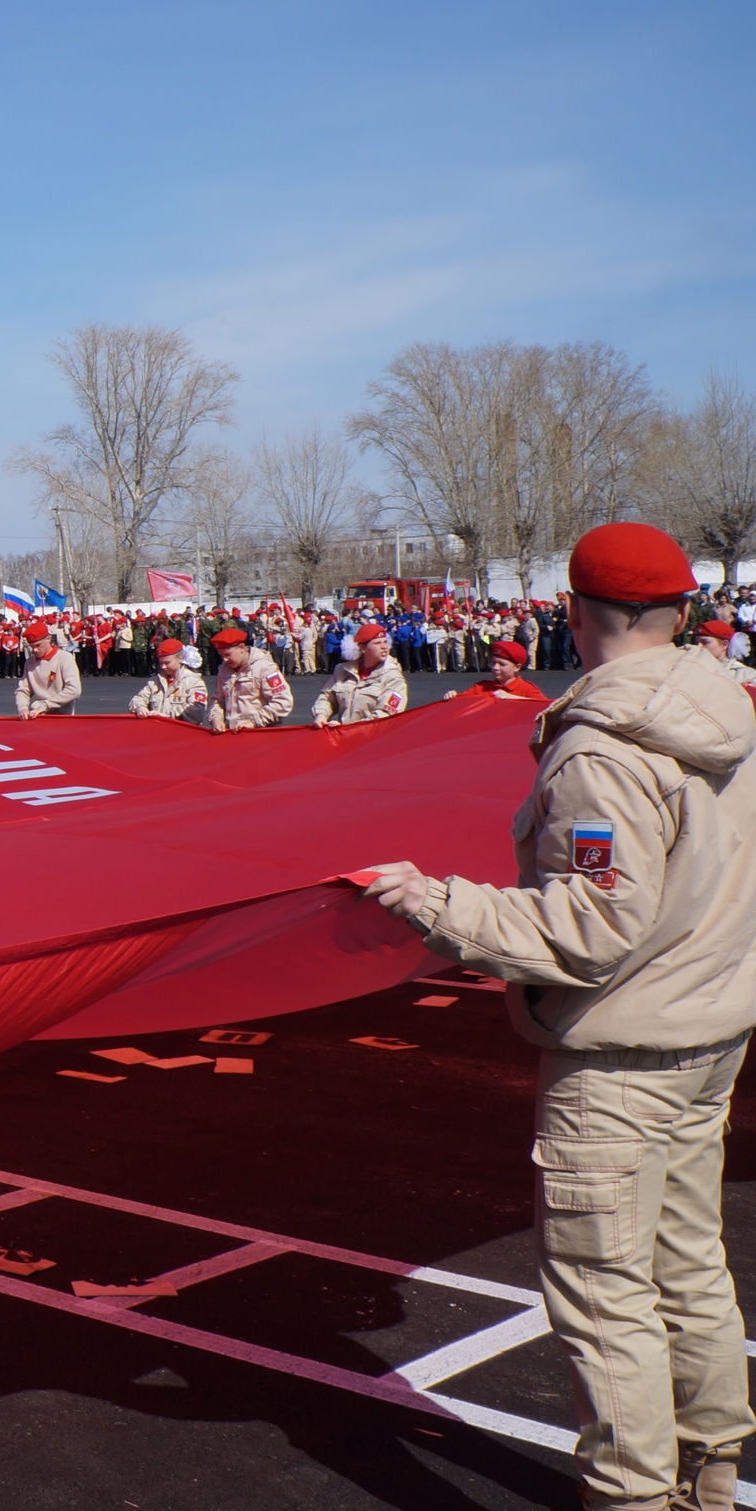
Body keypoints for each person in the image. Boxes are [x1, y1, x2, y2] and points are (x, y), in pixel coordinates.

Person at [363, 525, 756, 1511]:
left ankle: (631, 1498)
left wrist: (427, 903)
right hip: (706, 1030)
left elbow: (589, 926)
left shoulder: (601, 750)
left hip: (621, 1055)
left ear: (575, 613)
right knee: (685, 1262)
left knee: (603, 1289)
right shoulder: (729, 712)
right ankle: (711, 1473)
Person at [314, 622, 410, 727]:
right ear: (362, 648)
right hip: (343, 737)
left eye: (385, 642)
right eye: (377, 643)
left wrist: (349, 729)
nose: (384, 647)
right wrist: (321, 715)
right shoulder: (342, 670)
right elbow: (327, 697)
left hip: (373, 739)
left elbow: (386, 715)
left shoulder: (393, 677)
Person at [207, 627, 294, 732]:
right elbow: (218, 700)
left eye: (228, 655)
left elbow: (283, 702)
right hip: (232, 732)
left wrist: (254, 722)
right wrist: (216, 718)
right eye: (221, 656)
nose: (225, 660)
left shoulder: (264, 667)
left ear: (242, 648)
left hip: (260, 732)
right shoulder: (223, 669)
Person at [127, 638, 209, 725]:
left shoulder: (194, 681)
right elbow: (138, 698)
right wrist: (140, 708)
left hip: (182, 733)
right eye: (161, 663)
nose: (163, 667)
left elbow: (196, 710)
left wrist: (167, 715)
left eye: (167, 663)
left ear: (180, 659)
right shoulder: (155, 681)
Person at [14, 621, 80, 719]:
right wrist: (23, 708)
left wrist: (45, 705)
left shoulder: (64, 658)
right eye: (31, 646)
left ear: (48, 639)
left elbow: (74, 690)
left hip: (62, 717)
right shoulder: (30, 662)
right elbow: (23, 690)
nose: (34, 650)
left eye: (38, 645)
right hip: (38, 716)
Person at [448, 638, 547, 703]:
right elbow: (460, 701)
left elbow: (547, 708)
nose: (495, 667)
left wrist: (512, 697)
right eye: (493, 663)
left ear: (517, 667)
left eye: (502, 664)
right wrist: (452, 695)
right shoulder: (482, 688)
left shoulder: (526, 689)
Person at [695, 619, 756, 690]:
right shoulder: (692, 667)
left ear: (724, 644)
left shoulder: (745, 674)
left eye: (705, 642)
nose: (698, 646)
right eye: (696, 643)